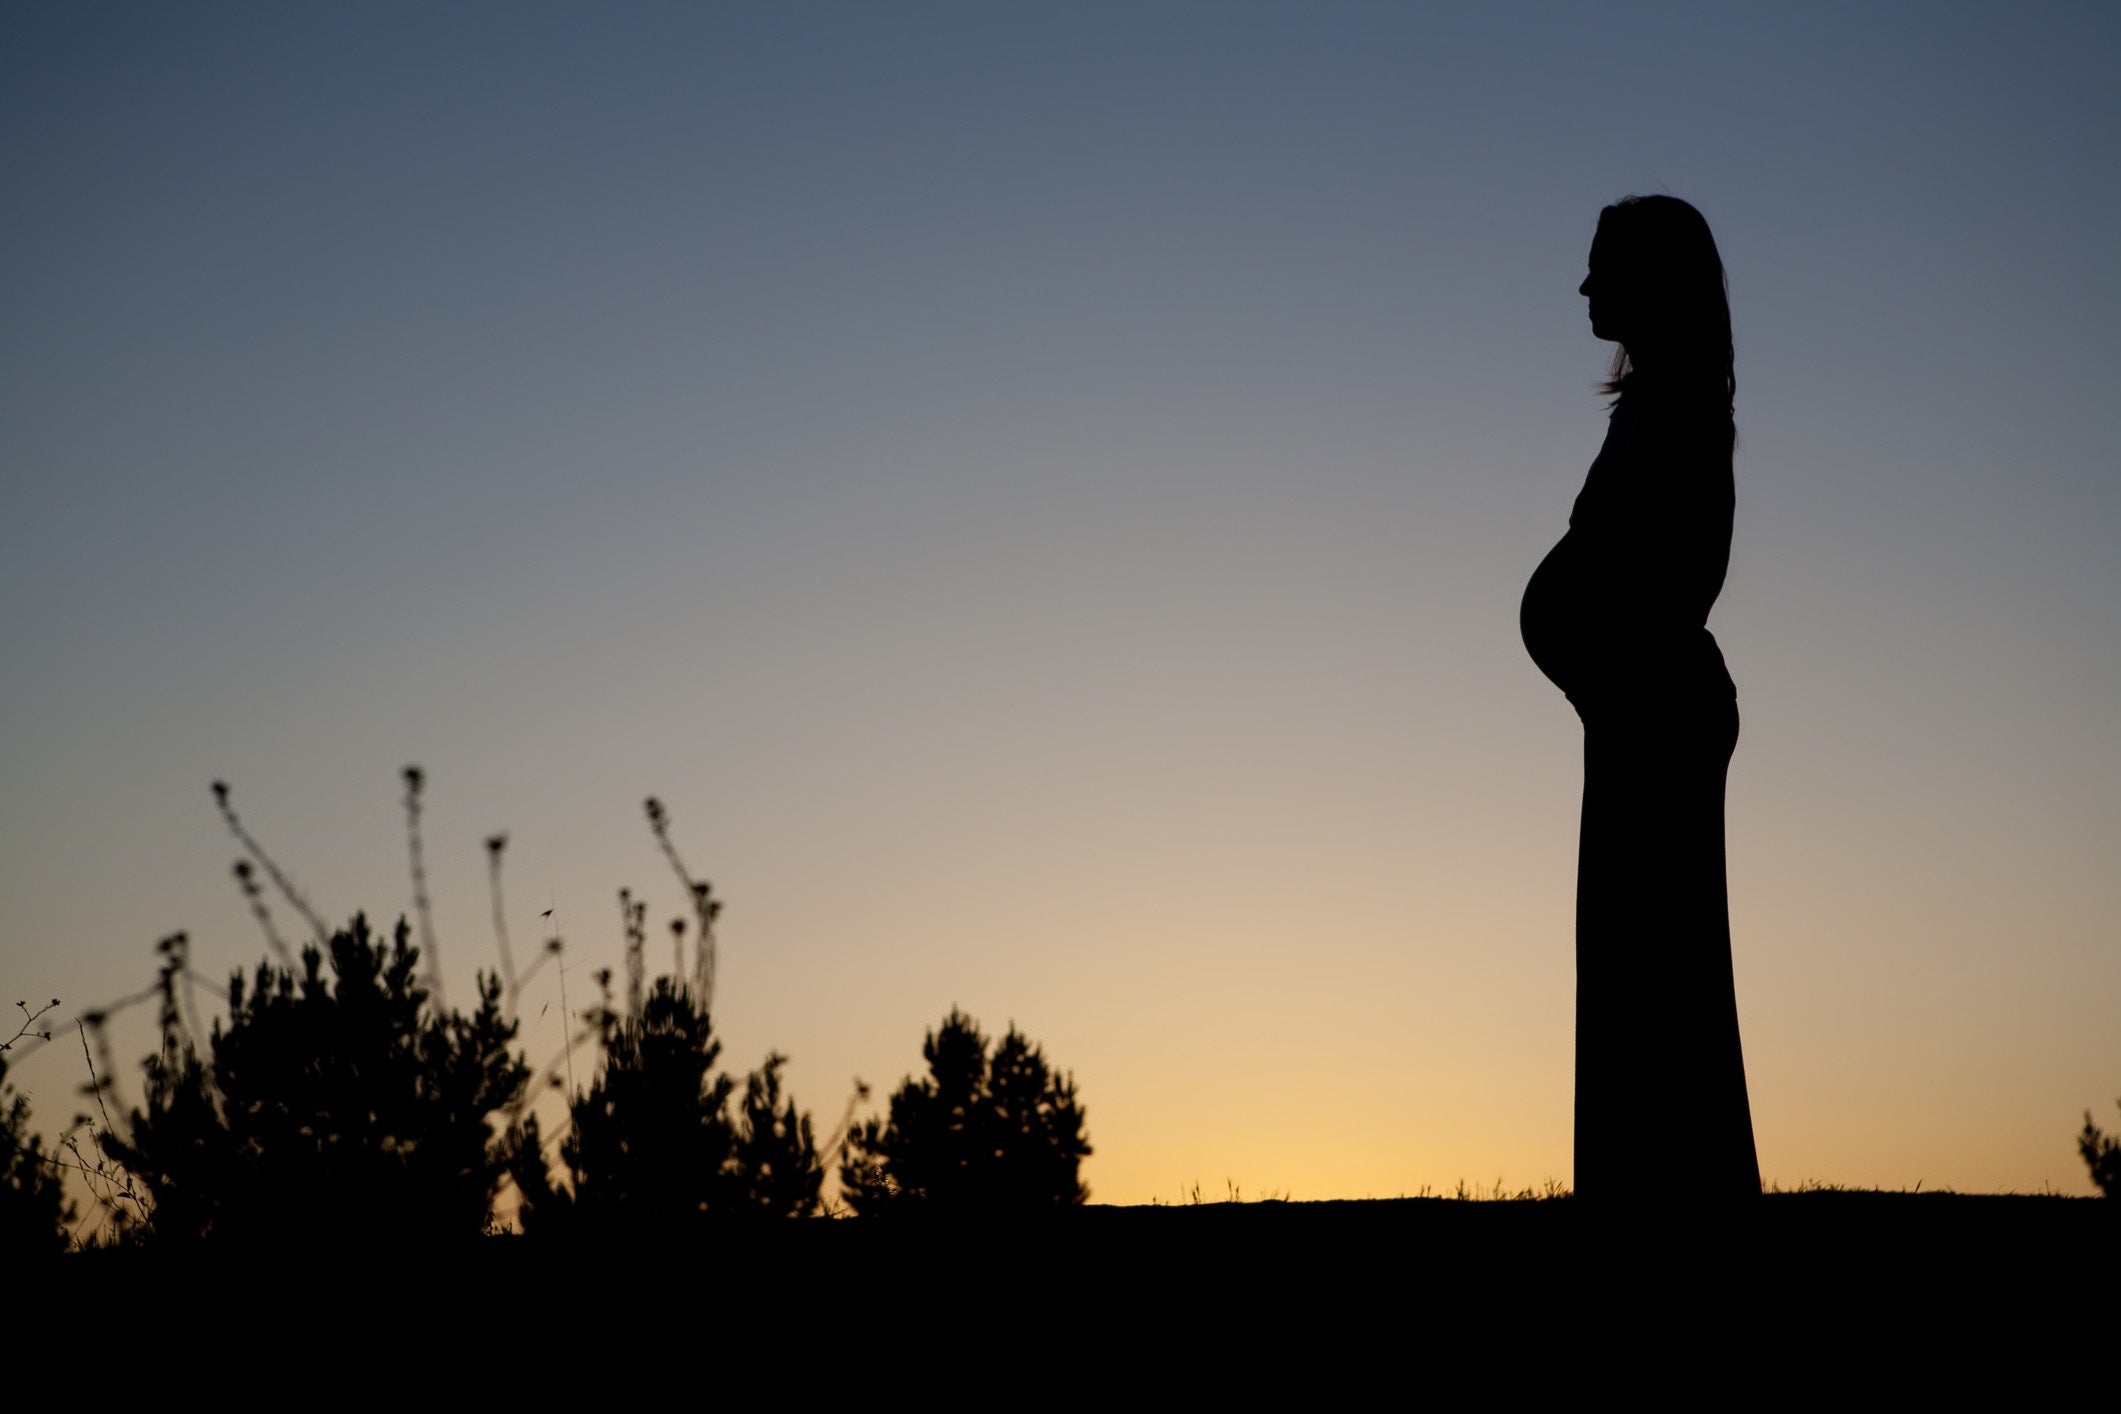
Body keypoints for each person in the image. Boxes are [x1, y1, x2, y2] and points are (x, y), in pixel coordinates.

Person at [1519, 195, 1761, 1200]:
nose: (1584, 285)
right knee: (1631, 960)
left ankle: (1667, 1192)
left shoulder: (1681, 413)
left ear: (1653, 281)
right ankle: (1640, 1185)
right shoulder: (1657, 407)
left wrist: (1607, 629)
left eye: (1603, 266)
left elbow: (1676, 570)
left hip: (1656, 712)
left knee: (1655, 964)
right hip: (1634, 712)